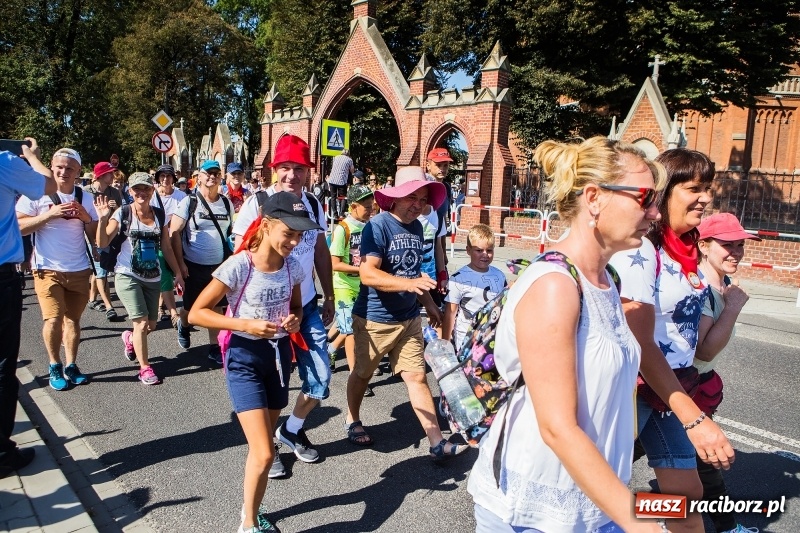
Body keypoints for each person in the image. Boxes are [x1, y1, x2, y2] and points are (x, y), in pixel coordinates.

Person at [468, 136, 666, 532]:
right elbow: (557, 427)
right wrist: (641, 523)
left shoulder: (608, 278)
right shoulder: (555, 285)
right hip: (535, 511)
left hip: (595, 503)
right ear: (594, 198)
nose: (656, 213)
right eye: (645, 198)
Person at [610, 148, 736, 533]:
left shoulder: (689, 249)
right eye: (694, 188)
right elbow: (640, 340)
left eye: (709, 187)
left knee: (686, 494)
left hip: (671, 385)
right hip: (636, 388)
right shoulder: (644, 249)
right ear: (666, 193)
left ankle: (643, 518)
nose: (707, 197)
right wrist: (694, 418)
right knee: (594, 487)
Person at [189, 192, 314, 532]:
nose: (295, 241)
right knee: (263, 453)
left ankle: (251, 511)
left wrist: (294, 320)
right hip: (244, 357)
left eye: (300, 234)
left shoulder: (293, 267)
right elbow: (197, 313)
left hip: (277, 359)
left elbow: (298, 308)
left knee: (264, 449)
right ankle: (247, 525)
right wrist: (245, 324)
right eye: (289, 232)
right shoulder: (240, 264)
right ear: (268, 224)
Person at [344, 165, 467, 460]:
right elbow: (368, 275)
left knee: (416, 377)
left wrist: (430, 305)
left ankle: (437, 442)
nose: (419, 205)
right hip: (375, 318)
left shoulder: (416, 228)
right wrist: (410, 284)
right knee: (362, 373)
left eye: (423, 200)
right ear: (395, 198)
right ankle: (352, 417)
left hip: (409, 318)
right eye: (413, 197)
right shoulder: (378, 225)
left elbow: (411, 273)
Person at [232, 134, 334, 476]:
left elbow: (320, 251)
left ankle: (289, 430)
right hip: (263, 314)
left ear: (309, 172)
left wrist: (329, 295)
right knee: (269, 384)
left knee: (320, 377)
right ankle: (266, 448)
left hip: (302, 306)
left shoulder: (315, 205)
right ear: (274, 169)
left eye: (299, 168)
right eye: (285, 168)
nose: (292, 175)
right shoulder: (257, 202)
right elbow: (239, 258)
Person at [693, 213, 758, 533]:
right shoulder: (700, 288)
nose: (735, 251)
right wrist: (732, 309)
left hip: (699, 385)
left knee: (695, 461)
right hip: (679, 390)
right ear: (703, 246)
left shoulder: (725, 284)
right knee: (705, 459)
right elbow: (703, 350)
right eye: (726, 245)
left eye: (740, 245)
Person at [17, 147, 98, 391]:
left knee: (73, 320)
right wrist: (49, 215)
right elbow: (19, 226)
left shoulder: (86, 198)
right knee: (53, 318)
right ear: (51, 168)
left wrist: (87, 218)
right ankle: (54, 364)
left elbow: (94, 237)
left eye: (69, 168)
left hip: (79, 269)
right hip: (46, 269)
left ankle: (71, 365)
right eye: (58, 167)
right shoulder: (36, 195)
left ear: (78, 172)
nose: (63, 172)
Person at [96, 173, 184, 385]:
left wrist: (178, 272)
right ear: (130, 191)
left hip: (153, 276)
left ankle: (129, 338)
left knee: (151, 325)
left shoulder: (160, 215)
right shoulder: (123, 212)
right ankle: (145, 368)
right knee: (141, 322)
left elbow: (166, 247)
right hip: (127, 274)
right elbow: (102, 242)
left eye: (145, 189)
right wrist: (102, 218)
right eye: (137, 189)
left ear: (152, 191)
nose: (141, 193)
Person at [0, 138, 54, 478]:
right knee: (4, 366)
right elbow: (47, 185)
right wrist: (32, 156)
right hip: (1, 277)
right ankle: (3, 451)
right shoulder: (4, 162)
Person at [170, 159, 234, 365]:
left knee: (215, 306)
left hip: (219, 266)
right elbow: (174, 233)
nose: (212, 177)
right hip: (193, 265)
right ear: (199, 177)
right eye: (208, 173)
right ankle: (183, 323)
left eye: (216, 173)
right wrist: (180, 265)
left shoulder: (226, 203)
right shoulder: (189, 202)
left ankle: (214, 347)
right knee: (191, 308)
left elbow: (231, 233)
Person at [328, 184, 374, 393]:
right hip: (345, 287)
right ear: (353, 206)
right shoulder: (342, 229)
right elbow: (335, 263)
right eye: (366, 205)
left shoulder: (369, 226)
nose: (370, 208)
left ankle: (330, 348)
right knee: (351, 332)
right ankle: (355, 376)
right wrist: (360, 269)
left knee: (358, 328)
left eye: (372, 204)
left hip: (364, 286)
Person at [442, 224, 507, 350]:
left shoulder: (499, 275)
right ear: (468, 250)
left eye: (489, 250)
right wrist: (445, 344)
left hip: (492, 339)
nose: (485, 254)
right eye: (479, 250)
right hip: (466, 340)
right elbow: (450, 313)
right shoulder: (458, 278)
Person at [85, 161, 123, 321]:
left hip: (109, 235)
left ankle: (92, 299)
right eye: (110, 173)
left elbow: (121, 213)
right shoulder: (85, 192)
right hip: (91, 236)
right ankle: (109, 306)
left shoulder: (114, 192)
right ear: (101, 174)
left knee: (100, 269)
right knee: (101, 272)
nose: (112, 175)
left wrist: (114, 208)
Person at [152, 164, 185, 328]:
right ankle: (172, 312)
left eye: (169, 176)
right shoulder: (153, 196)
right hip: (159, 242)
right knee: (164, 274)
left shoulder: (181, 196)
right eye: (162, 176)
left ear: (173, 178)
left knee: (175, 273)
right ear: (158, 178)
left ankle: (161, 304)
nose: (165, 179)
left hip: (178, 241)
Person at [425, 148, 454, 295]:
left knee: (441, 292)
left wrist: (444, 252)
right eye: (438, 165)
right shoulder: (423, 185)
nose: (442, 169)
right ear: (428, 165)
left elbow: (441, 220)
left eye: (445, 165)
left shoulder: (446, 188)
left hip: (436, 246)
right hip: (422, 246)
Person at [328, 149, 354, 218]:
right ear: (348, 154)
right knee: (343, 197)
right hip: (341, 181)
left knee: (333, 197)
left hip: (332, 180)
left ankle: (335, 214)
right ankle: (341, 214)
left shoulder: (336, 157)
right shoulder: (349, 160)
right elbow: (352, 170)